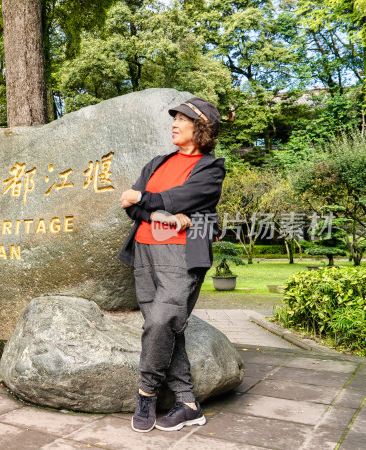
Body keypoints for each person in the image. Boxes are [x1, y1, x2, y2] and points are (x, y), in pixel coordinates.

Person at [117, 97, 225, 433]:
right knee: (165, 328)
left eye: (182, 119)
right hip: (145, 252)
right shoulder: (157, 163)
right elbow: (130, 206)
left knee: (162, 321)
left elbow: (179, 199)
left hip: (182, 257)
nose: (174, 124)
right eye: (173, 118)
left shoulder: (210, 168)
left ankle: (146, 392)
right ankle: (188, 402)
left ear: (202, 128)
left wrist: (155, 205)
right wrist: (168, 216)